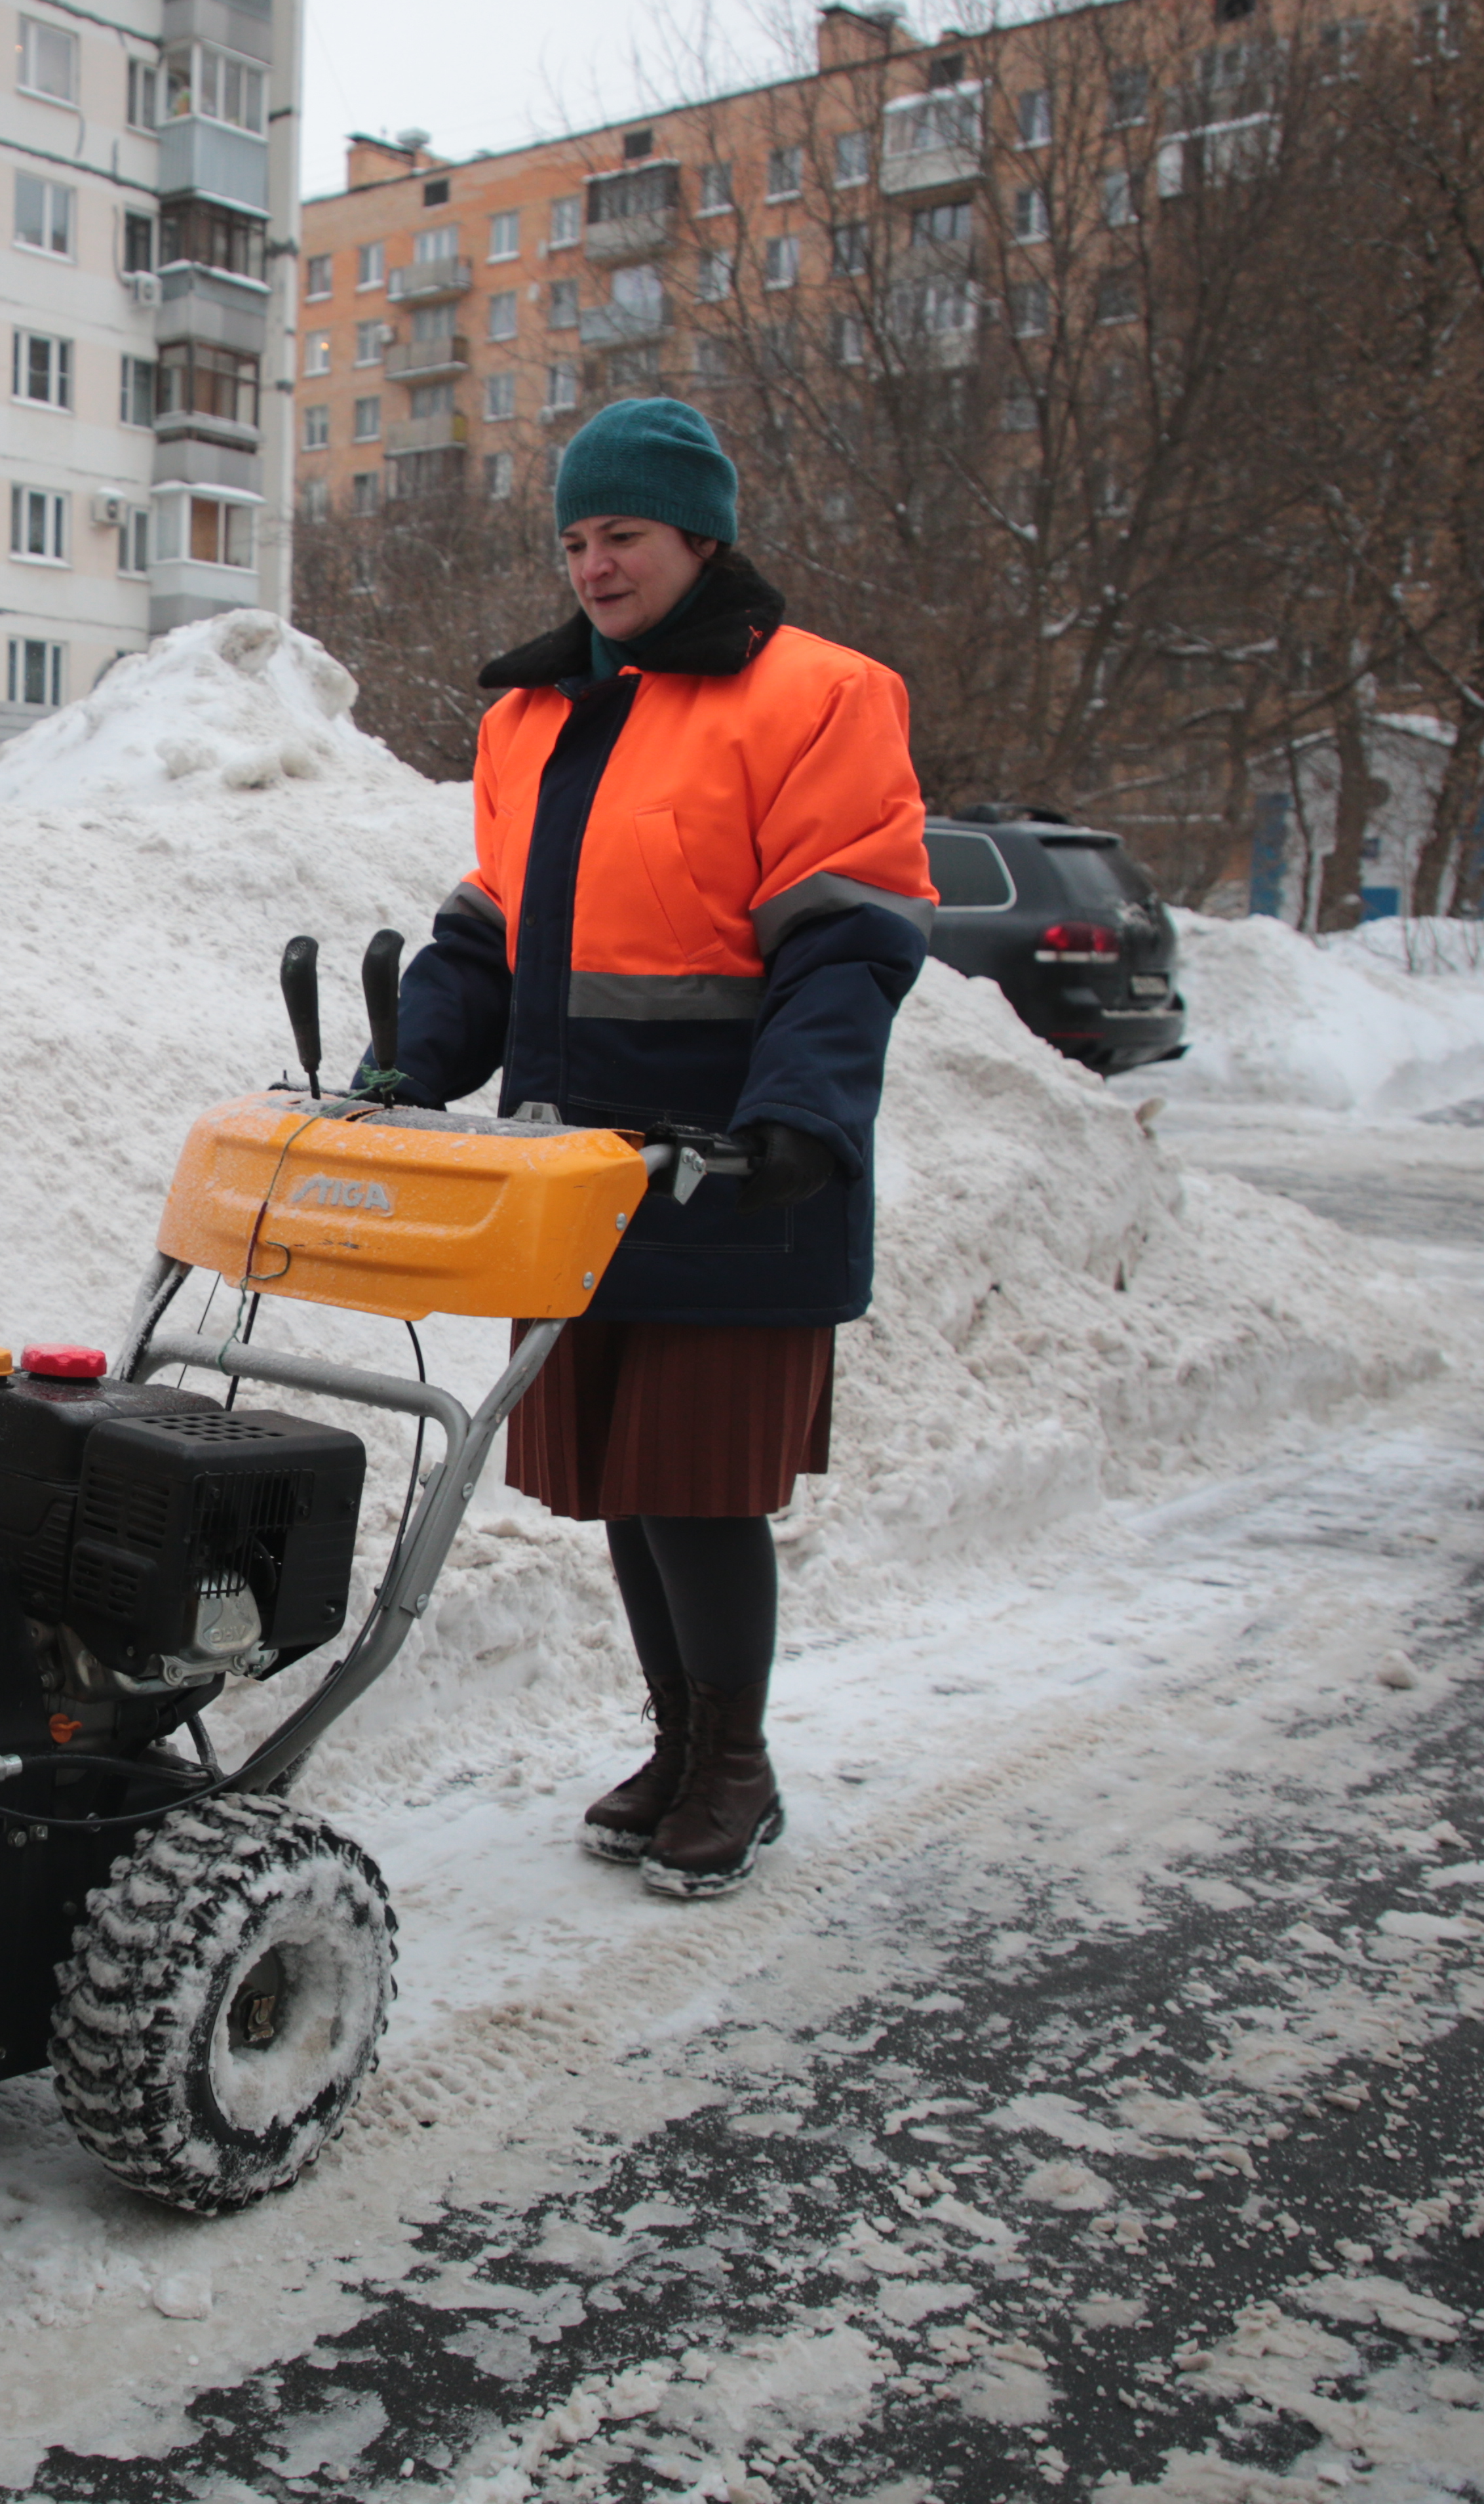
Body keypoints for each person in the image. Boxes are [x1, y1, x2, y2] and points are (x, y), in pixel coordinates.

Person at [385, 397, 935, 1901]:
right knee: (631, 1482)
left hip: (741, 1160)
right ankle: (679, 1742)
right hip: (580, 1172)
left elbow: (846, 939)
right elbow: (491, 928)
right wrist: (412, 1060)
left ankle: (737, 1768)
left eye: (621, 534)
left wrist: (803, 1121)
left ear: (701, 534)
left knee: (700, 1484)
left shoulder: (817, 698)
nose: (593, 566)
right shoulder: (533, 717)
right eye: (574, 538)